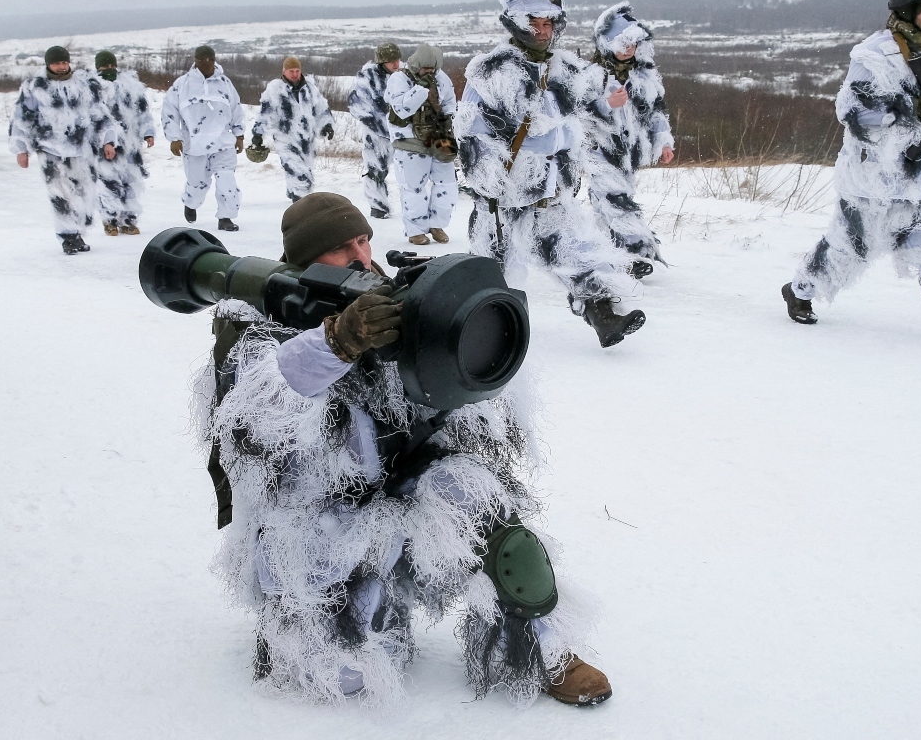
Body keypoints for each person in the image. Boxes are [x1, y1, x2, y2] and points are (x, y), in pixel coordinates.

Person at [197, 192, 611, 708]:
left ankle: (543, 652)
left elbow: (465, 409)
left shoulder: (387, 305)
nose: (361, 256)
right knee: (351, 675)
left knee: (491, 519)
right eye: (340, 248)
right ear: (304, 261)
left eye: (363, 239)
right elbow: (254, 424)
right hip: (316, 520)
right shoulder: (262, 332)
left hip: (400, 485)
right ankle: (293, 628)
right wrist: (336, 344)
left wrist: (448, 332)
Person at [782, 0, 921, 343]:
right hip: (875, 179)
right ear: (909, 8)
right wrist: (906, 108)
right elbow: (853, 110)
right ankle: (800, 289)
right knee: (850, 249)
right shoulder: (875, 54)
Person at [455, 0, 646, 348]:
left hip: (550, 190)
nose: (542, 32)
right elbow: (472, 133)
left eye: (548, 24)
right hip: (505, 194)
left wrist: (606, 109)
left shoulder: (566, 69)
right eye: (534, 23)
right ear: (515, 21)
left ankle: (604, 314)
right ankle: (477, 335)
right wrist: (488, 180)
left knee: (570, 248)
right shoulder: (494, 72)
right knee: (493, 271)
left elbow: (583, 109)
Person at [581, 3, 675, 273]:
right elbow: (577, 115)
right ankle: (637, 250)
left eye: (632, 44)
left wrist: (664, 142)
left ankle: (605, 250)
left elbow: (656, 112)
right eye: (621, 43)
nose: (627, 50)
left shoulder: (643, 78)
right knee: (616, 200)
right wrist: (606, 104)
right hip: (599, 152)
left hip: (629, 154)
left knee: (605, 206)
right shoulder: (592, 76)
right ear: (606, 43)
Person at [8, 45, 117, 254]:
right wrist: (21, 149)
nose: (61, 66)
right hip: (50, 149)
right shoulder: (35, 87)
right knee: (59, 195)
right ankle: (68, 236)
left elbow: (100, 115)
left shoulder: (84, 85)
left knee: (84, 193)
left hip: (81, 149)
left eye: (64, 62)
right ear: (48, 64)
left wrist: (108, 141)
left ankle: (78, 231)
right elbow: (22, 119)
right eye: (57, 63)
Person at [161, 45, 245, 232]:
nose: (207, 63)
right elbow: (169, 112)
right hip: (194, 144)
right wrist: (174, 137)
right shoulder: (183, 84)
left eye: (211, 60)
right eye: (203, 60)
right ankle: (191, 202)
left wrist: (239, 135)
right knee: (197, 183)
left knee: (227, 181)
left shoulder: (224, 83)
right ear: (196, 60)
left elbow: (236, 109)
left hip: (223, 143)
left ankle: (225, 217)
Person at [385, 44, 458, 246]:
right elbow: (403, 109)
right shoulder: (399, 79)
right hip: (409, 140)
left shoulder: (442, 78)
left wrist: (447, 118)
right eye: (426, 68)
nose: (430, 72)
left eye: (433, 69)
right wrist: (421, 88)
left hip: (439, 137)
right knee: (413, 188)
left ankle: (437, 224)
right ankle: (416, 230)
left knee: (448, 184)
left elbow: (451, 101)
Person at [249, 57, 335, 203]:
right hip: (285, 138)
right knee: (299, 173)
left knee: (305, 170)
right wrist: (258, 134)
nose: (295, 74)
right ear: (284, 71)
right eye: (291, 71)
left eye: (297, 71)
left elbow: (322, 108)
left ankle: (293, 191)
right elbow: (265, 113)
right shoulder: (275, 90)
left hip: (307, 139)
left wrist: (327, 125)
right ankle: (300, 201)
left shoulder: (310, 89)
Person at [93, 50, 156, 236]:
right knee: (108, 182)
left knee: (130, 182)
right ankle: (110, 219)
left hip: (130, 144)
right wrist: (104, 140)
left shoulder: (131, 87)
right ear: (98, 68)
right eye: (105, 67)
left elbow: (143, 113)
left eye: (112, 66)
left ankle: (129, 219)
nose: (109, 70)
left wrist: (148, 133)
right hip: (105, 145)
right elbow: (93, 117)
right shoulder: (93, 88)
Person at [347, 43, 400, 219]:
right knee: (376, 171)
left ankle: (414, 208)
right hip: (376, 134)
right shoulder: (368, 78)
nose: (395, 64)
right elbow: (356, 103)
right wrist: (371, 120)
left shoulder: (403, 76)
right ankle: (378, 206)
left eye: (397, 60)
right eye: (391, 61)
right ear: (382, 61)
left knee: (410, 171)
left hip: (402, 131)